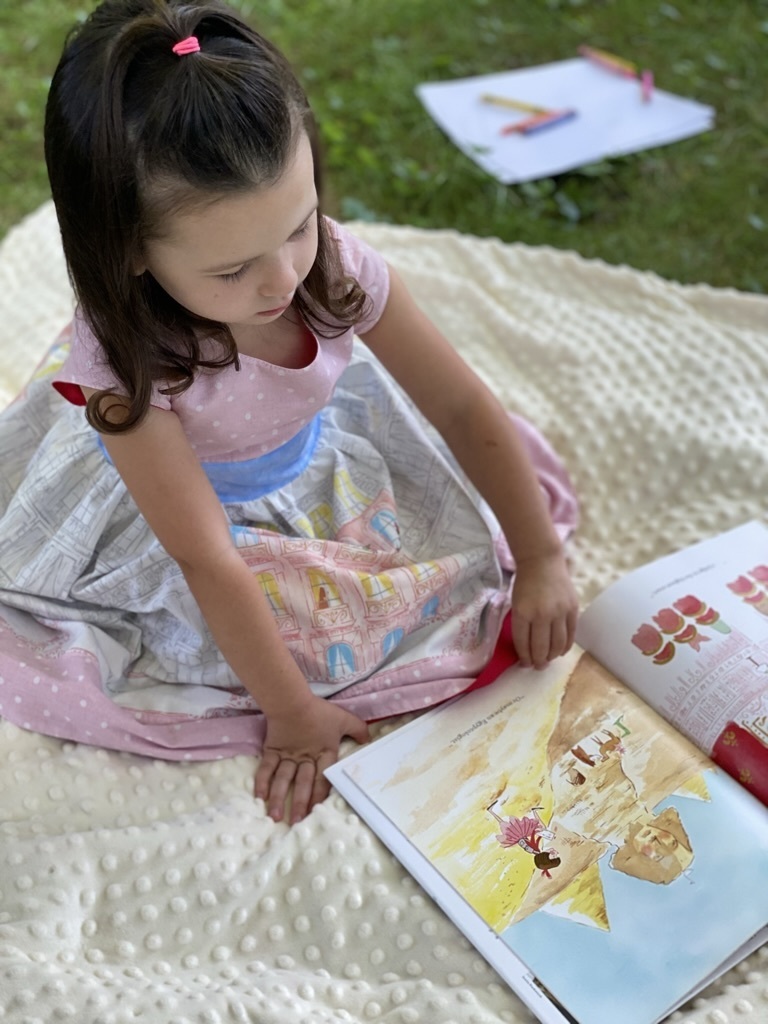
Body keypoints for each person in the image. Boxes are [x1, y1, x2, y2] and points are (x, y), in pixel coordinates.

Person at [0, 0, 578, 824]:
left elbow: (457, 401)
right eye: (232, 270)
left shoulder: (328, 266)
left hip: (308, 454)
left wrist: (542, 555)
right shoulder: (129, 374)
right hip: (179, 510)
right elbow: (205, 558)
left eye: (300, 226)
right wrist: (293, 712)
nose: (282, 281)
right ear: (128, 253)